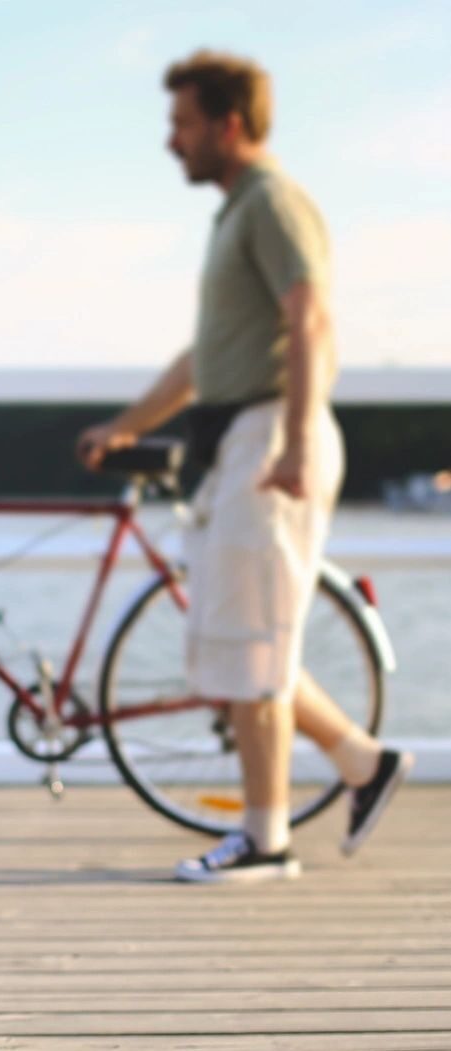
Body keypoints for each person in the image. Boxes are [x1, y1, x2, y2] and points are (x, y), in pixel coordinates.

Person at [76, 49, 412, 883]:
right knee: (239, 643)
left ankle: (266, 843)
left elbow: (311, 322)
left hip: (269, 439)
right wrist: (124, 426)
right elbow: (205, 357)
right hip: (240, 437)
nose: (170, 142)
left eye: (181, 124)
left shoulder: (273, 203)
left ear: (227, 124)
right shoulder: (233, 216)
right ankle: (361, 762)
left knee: (253, 647)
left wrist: (296, 440)